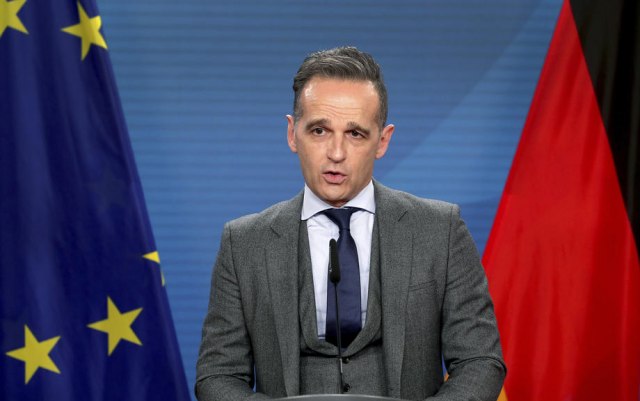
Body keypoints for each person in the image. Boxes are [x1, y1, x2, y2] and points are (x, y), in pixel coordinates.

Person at [196, 46, 506, 401]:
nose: (336, 153)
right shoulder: (243, 243)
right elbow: (217, 375)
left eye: (355, 134)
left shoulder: (441, 230)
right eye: (319, 130)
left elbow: (480, 361)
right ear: (292, 133)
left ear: (383, 141)